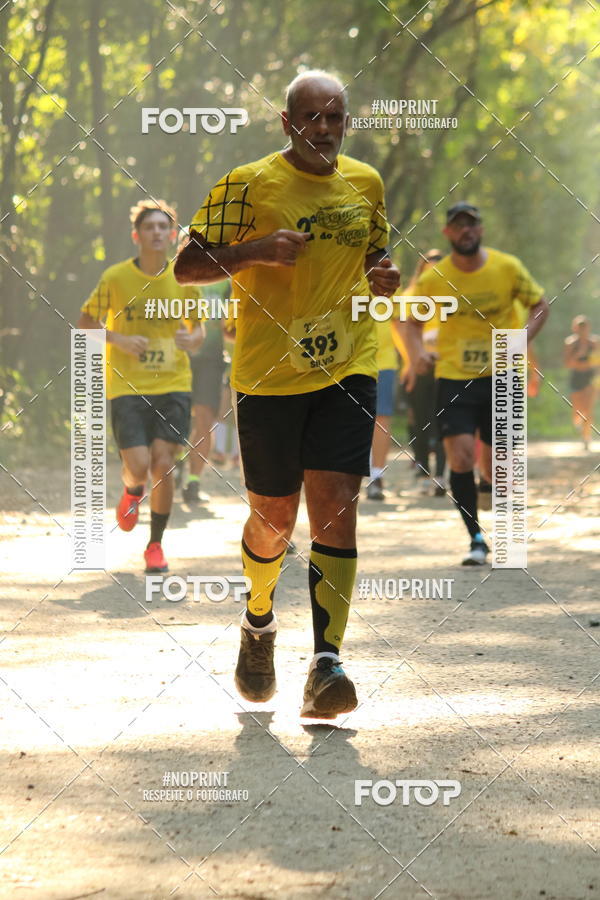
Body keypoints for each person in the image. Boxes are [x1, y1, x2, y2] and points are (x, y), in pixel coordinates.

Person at [175, 70, 399, 718]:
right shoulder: (247, 185)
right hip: (269, 374)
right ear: (286, 122)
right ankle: (258, 620)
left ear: (346, 123)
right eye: (310, 117)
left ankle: (327, 664)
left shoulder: (366, 183)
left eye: (335, 118)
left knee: (335, 507)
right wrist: (256, 251)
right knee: (274, 518)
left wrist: (382, 275)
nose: (323, 129)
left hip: (347, 365)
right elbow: (186, 266)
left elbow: (371, 255)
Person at [400, 202, 549, 565]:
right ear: (448, 233)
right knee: (461, 455)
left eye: (471, 224)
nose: (465, 230)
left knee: (501, 464)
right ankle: (476, 539)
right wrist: (416, 353)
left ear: (480, 230)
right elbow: (409, 321)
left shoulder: (507, 267)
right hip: (455, 378)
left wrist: (522, 339)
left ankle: (507, 533)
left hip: (503, 375)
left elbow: (540, 306)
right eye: (458, 225)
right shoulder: (435, 278)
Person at [78, 200, 204, 573]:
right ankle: (133, 490)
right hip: (127, 386)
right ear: (137, 236)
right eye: (149, 227)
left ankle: (155, 545)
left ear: (172, 235)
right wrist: (118, 339)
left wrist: (192, 339)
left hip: (173, 384)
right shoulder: (116, 278)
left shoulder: (184, 278)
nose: (157, 233)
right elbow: (86, 322)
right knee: (138, 465)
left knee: (163, 464)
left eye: (163, 227)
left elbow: (198, 331)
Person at [400, 249, 446, 497]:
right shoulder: (410, 296)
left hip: (446, 366)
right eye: (429, 271)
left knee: (443, 420)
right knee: (419, 421)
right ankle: (423, 473)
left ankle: (441, 475)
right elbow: (403, 333)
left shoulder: (452, 295)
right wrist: (409, 363)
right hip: (418, 367)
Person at [184, 278, 230, 505]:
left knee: (204, 420)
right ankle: (174, 466)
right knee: (177, 418)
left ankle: (193, 482)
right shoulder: (176, 274)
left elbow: (232, 326)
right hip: (179, 357)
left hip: (211, 360)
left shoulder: (227, 282)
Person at [365, 317, 400, 501]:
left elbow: (400, 323)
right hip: (348, 362)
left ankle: (376, 476)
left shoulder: (391, 295)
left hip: (383, 363)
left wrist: (411, 359)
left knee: (381, 417)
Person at [564, 315, 598, 450]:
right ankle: (578, 423)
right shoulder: (570, 343)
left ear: (588, 328)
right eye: (580, 327)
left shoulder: (594, 342)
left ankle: (586, 437)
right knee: (578, 410)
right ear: (575, 328)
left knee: (588, 409)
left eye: (585, 327)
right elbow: (568, 364)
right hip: (576, 378)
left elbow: (597, 361)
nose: (583, 330)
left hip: (590, 377)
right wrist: (579, 354)